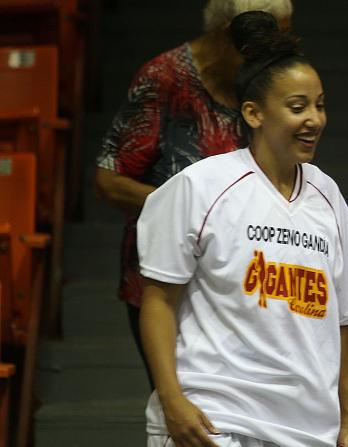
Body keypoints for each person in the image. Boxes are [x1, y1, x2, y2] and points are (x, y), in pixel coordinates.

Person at [137, 10, 348, 447]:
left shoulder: (327, 195)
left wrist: (346, 425)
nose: (315, 119)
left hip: (307, 429)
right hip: (215, 420)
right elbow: (157, 300)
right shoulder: (200, 186)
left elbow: (340, 322)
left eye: (320, 104)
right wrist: (172, 400)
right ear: (253, 113)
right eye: (297, 107)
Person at [94, 0, 293, 390]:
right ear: (225, 35)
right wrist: (191, 210)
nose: (277, 48)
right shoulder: (164, 79)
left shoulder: (267, 80)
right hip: (171, 287)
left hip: (250, 283)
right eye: (269, 36)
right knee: (189, 410)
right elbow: (109, 179)